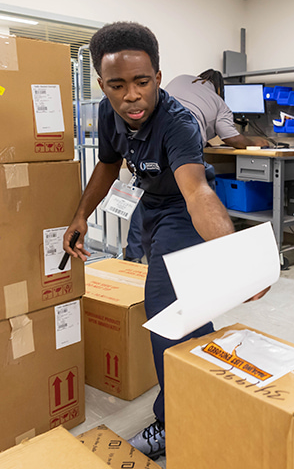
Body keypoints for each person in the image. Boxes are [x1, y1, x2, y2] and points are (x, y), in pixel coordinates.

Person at [62, 22, 267, 461]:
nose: (131, 96)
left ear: (158, 75)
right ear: (102, 85)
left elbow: (198, 193)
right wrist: (81, 215)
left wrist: (236, 260)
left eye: (141, 82)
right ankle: (209, 387)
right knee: (189, 306)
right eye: (117, 85)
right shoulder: (107, 111)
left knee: (167, 302)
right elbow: (107, 165)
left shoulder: (177, 124)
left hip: (181, 206)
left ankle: (174, 422)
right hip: (148, 203)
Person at [124, 69, 268, 261]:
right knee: (199, 192)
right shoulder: (218, 102)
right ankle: (201, 255)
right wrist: (256, 142)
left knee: (145, 198)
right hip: (179, 146)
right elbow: (233, 138)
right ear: (219, 89)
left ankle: (132, 258)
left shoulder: (180, 78)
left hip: (145, 143)